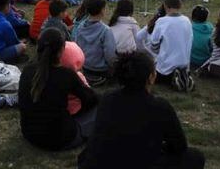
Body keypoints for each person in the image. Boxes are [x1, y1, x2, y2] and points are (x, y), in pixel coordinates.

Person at [78, 51, 206, 169]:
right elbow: (179, 146)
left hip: (99, 163)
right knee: (195, 157)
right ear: (150, 77)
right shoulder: (160, 107)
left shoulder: (107, 98)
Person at [19, 28, 99, 150]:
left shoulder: (27, 70)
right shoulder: (66, 75)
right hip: (60, 139)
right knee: (100, 109)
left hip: (29, 134)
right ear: (61, 51)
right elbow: (90, 99)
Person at [149, 0, 193, 87]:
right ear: (180, 6)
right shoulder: (187, 21)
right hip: (184, 65)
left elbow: (153, 45)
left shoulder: (162, 21)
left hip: (165, 69)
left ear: (165, 6)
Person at [74, 0, 117, 85]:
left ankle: (90, 77)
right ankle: (99, 79)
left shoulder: (80, 27)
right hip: (100, 69)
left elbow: (76, 47)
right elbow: (110, 56)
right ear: (102, 10)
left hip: (84, 65)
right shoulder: (106, 31)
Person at [189, 5, 213, 69]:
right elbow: (212, 48)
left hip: (191, 59)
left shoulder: (189, 29)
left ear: (192, 17)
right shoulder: (211, 30)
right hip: (206, 61)